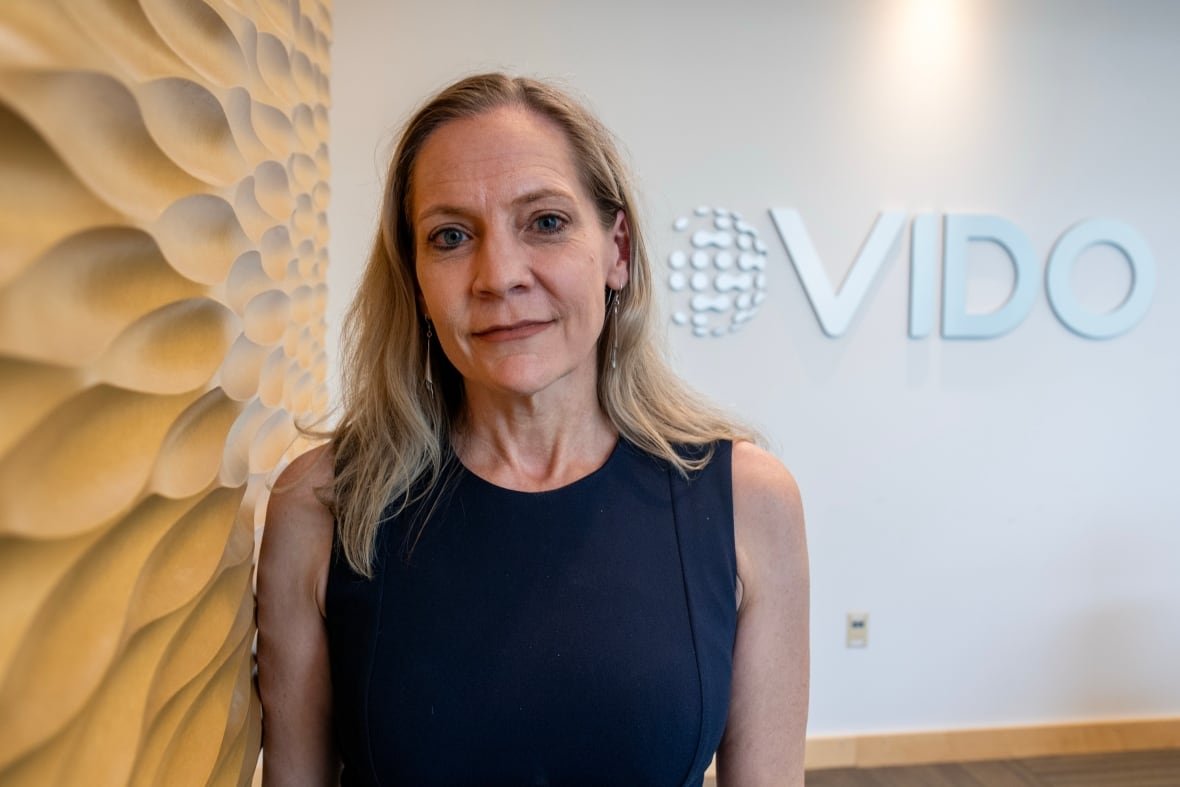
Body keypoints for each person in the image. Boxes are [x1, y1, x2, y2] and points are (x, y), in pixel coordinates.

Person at [257, 73, 809, 786]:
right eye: (451, 236)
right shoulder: (323, 505)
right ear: (417, 279)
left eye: (545, 222)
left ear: (617, 251)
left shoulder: (746, 502)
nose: (500, 274)